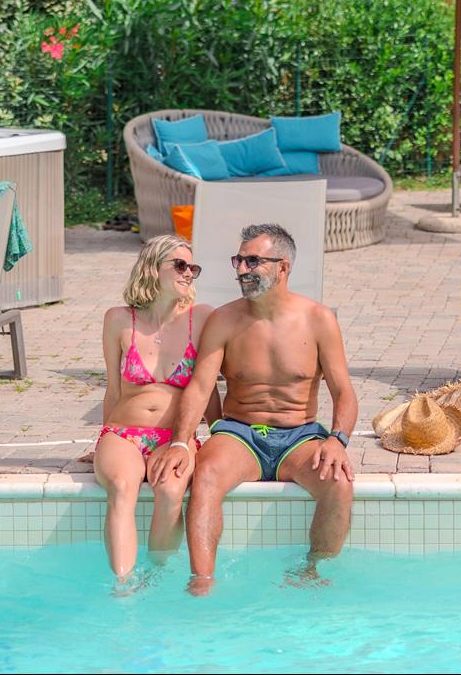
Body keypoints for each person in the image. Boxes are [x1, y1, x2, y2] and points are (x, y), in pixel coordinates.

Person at [148, 222, 357, 595]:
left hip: (300, 434)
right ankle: (202, 579)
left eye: (252, 261)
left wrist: (338, 439)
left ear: (283, 267)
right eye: (239, 260)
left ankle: (313, 569)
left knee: (338, 483)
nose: (241, 270)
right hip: (240, 432)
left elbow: (344, 392)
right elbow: (200, 386)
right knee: (207, 475)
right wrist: (181, 441)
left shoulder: (318, 319)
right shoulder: (225, 319)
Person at [95, 235, 220, 583]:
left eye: (192, 267)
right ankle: (122, 585)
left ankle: (156, 577)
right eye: (180, 265)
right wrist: (102, 443)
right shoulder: (119, 319)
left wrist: (219, 435)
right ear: (153, 267)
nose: (188, 273)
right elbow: (113, 388)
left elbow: (207, 388)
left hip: (175, 437)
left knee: (169, 492)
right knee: (121, 485)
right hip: (123, 433)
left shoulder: (202, 318)